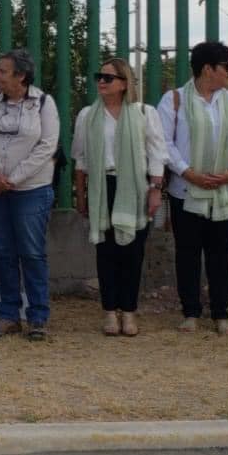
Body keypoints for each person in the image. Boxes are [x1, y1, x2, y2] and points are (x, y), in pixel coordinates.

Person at [157, 40, 228, 336]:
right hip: (186, 190)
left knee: (220, 252)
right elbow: (164, 142)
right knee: (188, 252)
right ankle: (190, 312)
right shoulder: (173, 99)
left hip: (227, 189)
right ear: (207, 69)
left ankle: (221, 312)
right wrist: (188, 173)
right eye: (226, 66)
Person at [71, 58, 166, 337]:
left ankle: (129, 311)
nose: (101, 81)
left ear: (124, 83)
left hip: (135, 187)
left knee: (132, 253)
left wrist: (155, 190)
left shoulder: (144, 113)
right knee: (106, 253)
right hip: (103, 187)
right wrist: (80, 194)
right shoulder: (88, 115)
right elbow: (81, 158)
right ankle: (110, 312)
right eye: (98, 76)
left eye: (108, 78)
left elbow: (157, 153)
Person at [0, 49, 60, 340]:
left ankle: (37, 316)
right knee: (4, 253)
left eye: (3, 71)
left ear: (21, 76)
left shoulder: (43, 103)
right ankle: (8, 313)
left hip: (31, 190)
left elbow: (47, 147)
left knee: (32, 253)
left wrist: (14, 178)